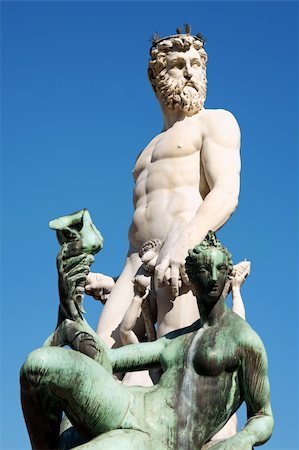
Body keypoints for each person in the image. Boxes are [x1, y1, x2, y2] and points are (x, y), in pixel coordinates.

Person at [20, 234, 273, 450]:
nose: (213, 278)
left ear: (228, 275)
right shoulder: (180, 338)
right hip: (130, 403)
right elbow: (109, 359)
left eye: (220, 269)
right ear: (192, 279)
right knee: (37, 365)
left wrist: (239, 441)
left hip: (158, 438)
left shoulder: (243, 339)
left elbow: (263, 416)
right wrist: (72, 318)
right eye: (205, 270)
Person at [85, 28, 241, 352]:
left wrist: (183, 244)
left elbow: (226, 192)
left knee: (176, 366)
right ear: (155, 75)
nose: (189, 72)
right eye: (178, 64)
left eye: (196, 64)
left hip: (180, 253)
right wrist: (114, 283)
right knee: (99, 361)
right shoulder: (146, 152)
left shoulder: (214, 122)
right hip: (134, 265)